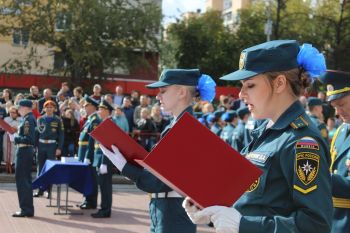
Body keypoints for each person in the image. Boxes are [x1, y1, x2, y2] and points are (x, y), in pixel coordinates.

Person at [183, 40, 333, 233]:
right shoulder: (265, 132)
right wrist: (209, 203)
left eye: (250, 85)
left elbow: (316, 225)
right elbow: (252, 198)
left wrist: (244, 225)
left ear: (279, 83)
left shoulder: (301, 141)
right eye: (242, 86)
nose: (241, 94)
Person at [100, 69, 216, 233]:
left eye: (163, 91)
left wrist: (125, 167)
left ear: (182, 92)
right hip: (166, 210)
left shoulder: (185, 128)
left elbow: (158, 181)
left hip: (174, 214)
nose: (157, 96)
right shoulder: (177, 125)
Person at [319, 70, 350, 233]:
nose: (337, 113)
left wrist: (320, 177)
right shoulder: (341, 131)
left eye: (342, 104)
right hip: (334, 220)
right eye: (334, 106)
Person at [9, 99, 36, 217]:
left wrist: (15, 138)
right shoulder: (28, 119)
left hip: (24, 151)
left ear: (25, 107)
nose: (18, 110)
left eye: (19, 107)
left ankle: (26, 209)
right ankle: (27, 208)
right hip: (24, 151)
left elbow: (29, 139)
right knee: (24, 180)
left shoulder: (28, 120)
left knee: (22, 180)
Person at [34, 100, 64, 198]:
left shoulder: (58, 119)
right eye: (47, 107)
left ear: (54, 109)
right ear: (44, 109)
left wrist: (59, 148)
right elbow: (37, 134)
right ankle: (40, 189)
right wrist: (35, 146)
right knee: (40, 168)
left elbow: (61, 135)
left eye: (51, 107)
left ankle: (49, 191)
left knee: (50, 168)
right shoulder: (40, 119)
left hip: (52, 146)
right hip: (41, 145)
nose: (49, 109)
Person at [91, 100, 114, 218]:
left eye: (101, 109)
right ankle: (104, 209)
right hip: (99, 158)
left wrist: (104, 163)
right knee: (103, 185)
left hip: (105, 160)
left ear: (107, 111)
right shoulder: (104, 122)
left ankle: (105, 210)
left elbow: (108, 145)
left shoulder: (109, 124)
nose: (99, 111)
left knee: (105, 186)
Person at [77, 95, 99, 209]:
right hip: (84, 153)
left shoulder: (95, 121)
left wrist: (88, 156)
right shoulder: (89, 120)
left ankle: (91, 201)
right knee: (86, 178)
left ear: (93, 107)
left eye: (86, 105)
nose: (84, 107)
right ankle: (87, 199)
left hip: (88, 154)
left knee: (90, 178)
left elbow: (91, 140)